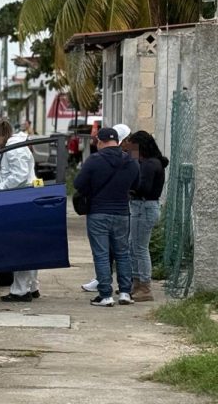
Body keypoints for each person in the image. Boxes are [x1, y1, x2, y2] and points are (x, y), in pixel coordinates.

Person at [74, 127, 139, 307]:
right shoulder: (131, 161)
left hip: (98, 212)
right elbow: (136, 183)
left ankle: (105, 295)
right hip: (122, 213)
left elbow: (78, 184)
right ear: (117, 141)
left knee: (102, 254)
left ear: (100, 141)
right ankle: (125, 292)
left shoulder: (94, 160)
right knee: (123, 253)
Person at [0, 120, 40, 302]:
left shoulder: (14, 149)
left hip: (21, 199)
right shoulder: (3, 148)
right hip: (19, 199)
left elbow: (20, 175)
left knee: (20, 247)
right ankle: (32, 286)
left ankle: (20, 291)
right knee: (29, 247)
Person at [126, 131, 168, 302]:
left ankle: (144, 286)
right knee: (133, 245)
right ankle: (137, 283)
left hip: (143, 206)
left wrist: (128, 188)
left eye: (133, 147)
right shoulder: (151, 162)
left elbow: (143, 187)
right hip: (144, 207)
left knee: (140, 248)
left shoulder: (150, 164)